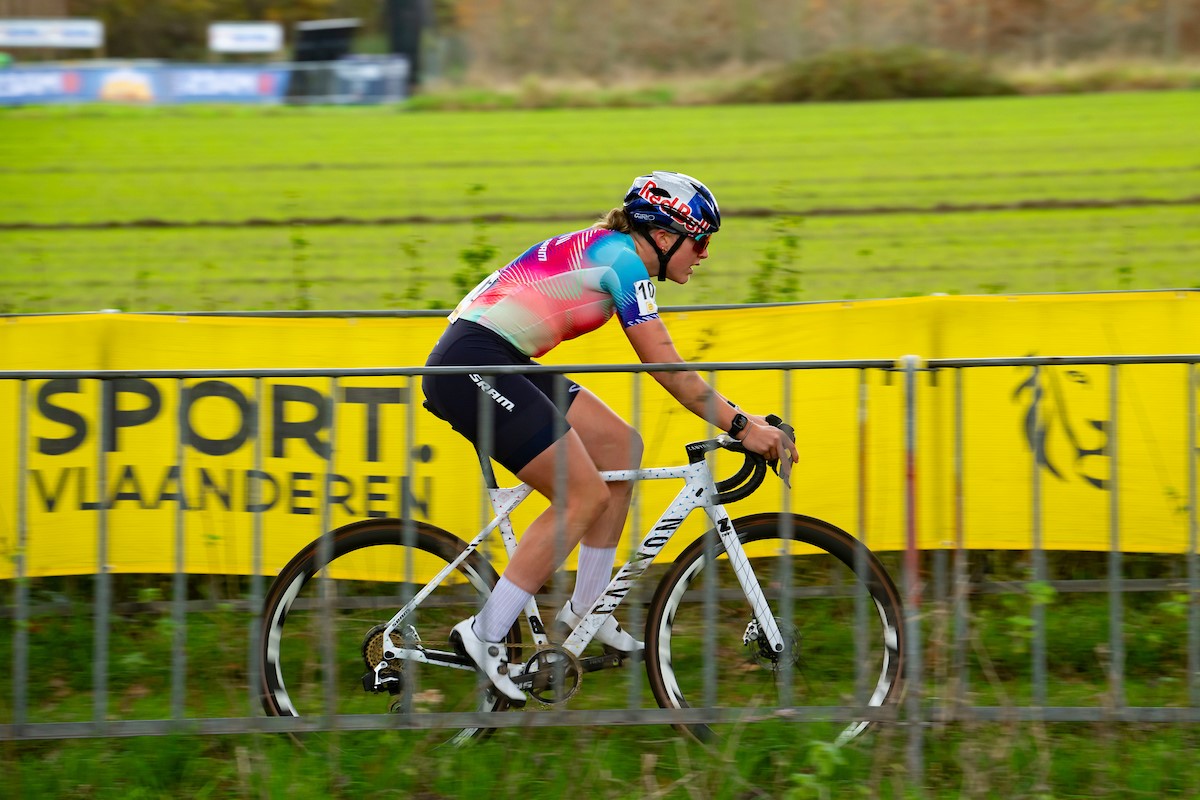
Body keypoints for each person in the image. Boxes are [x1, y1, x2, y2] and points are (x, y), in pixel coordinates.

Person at [421, 171, 800, 705]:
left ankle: (587, 607)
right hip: (473, 365)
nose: (705, 253)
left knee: (622, 448)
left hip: (500, 359)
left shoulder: (615, 250)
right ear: (666, 236)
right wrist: (743, 425)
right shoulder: (623, 262)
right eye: (702, 240)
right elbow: (667, 368)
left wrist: (742, 420)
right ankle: (483, 633)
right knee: (582, 495)